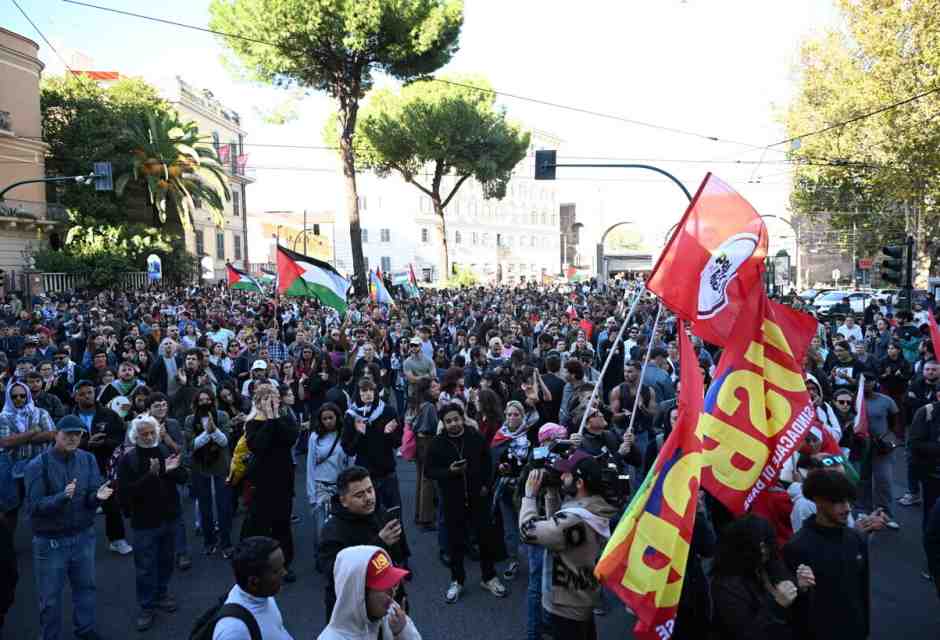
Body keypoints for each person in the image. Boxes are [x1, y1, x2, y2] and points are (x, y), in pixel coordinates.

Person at [24, 415, 114, 640]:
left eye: (78, 434)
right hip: (51, 542)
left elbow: (91, 496)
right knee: (50, 598)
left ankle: (86, 631)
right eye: (68, 434)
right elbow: (33, 507)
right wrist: (61, 498)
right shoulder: (37, 465)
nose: (73, 438)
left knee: (86, 590)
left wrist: (98, 497)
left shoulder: (88, 459)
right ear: (56, 434)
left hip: (83, 536)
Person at [520, 451, 618, 640]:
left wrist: (530, 497)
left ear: (580, 483)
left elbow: (528, 531)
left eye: (567, 474)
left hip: (565, 607)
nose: (562, 476)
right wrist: (552, 493)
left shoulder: (574, 520)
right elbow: (560, 527)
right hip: (582, 597)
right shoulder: (594, 507)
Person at [426, 402, 507, 603]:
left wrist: (486, 485)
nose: (453, 424)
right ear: (443, 423)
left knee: (484, 538)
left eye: (456, 419)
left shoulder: (475, 436)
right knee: (455, 542)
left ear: (462, 418)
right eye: (448, 421)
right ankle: (457, 580)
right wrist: (449, 472)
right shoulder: (437, 443)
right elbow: (430, 471)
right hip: (452, 499)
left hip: (478, 496)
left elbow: (488, 462)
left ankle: (489, 577)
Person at [117, 414, 188, 631]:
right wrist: (151, 475)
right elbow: (125, 494)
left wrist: (171, 470)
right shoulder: (128, 459)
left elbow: (183, 477)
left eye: (151, 433)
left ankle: (161, 594)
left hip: (169, 517)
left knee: (166, 561)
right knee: (145, 567)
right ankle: (146, 606)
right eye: (143, 434)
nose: (148, 437)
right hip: (144, 523)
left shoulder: (165, 451)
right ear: (134, 436)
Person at [317, 466, 410, 624]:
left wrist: (400, 593)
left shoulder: (379, 512)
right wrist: (380, 543)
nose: (368, 498)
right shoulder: (332, 531)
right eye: (359, 495)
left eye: (370, 490)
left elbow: (395, 559)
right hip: (356, 615)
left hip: (388, 602)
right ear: (343, 500)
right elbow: (335, 573)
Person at [784, 470, 868, 640]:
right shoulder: (796, 548)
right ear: (818, 501)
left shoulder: (856, 538)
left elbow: (862, 589)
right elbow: (792, 606)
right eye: (838, 502)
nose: (847, 508)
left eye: (848, 501)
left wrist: (864, 628)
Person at [711, 515, 805, 640]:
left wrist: (800, 587)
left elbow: (794, 606)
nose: (764, 550)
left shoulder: (769, 564)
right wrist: (777, 605)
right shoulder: (726, 586)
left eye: (766, 543)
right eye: (758, 545)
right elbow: (747, 633)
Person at [241, 384, 299, 583]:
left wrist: (274, 417)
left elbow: (290, 438)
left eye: (273, 397)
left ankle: (284, 564)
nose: (271, 402)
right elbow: (258, 445)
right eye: (266, 399)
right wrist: (268, 420)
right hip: (261, 483)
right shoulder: (253, 423)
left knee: (283, 525)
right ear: (258, 402)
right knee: (260, 525)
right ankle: (260, 565)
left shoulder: (285, 418)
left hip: (283, 481)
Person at [318, 546, 420, 640]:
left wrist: (402, 631)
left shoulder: (391, 616)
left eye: (393, 584)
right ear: (359, 594)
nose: (392, 591)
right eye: (383, 586)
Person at [184, 388, 235, 558]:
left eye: (208, 399)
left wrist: (215, 430)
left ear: (213, 401)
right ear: (196, 402)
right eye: (201, 400)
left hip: (221, 464)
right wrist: (208, 432)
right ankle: (209, 541)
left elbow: (224, 441)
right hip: (200, 466)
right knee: (205, 506)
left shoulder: (222, 416)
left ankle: (226, 543)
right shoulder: (190, 420)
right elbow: (192, 445)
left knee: (223, 505)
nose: (204, 403)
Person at [212, 536, 294, 640]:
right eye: (276, 571)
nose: (284, 573)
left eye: (283, 566)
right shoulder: (234, 632)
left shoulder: (262, 594)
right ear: (253, 582)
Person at [305, 403, 351, 556]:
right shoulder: (315, 437)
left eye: (331, 417)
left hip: (340, 487)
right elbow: (310, 466)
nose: (328, 421)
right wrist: (311, 494)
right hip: (321, 486)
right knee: (321, 527)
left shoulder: (344, 434)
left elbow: (350, 461)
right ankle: (321, 556)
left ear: (337, 417)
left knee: (340, 525)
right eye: (324, 418)